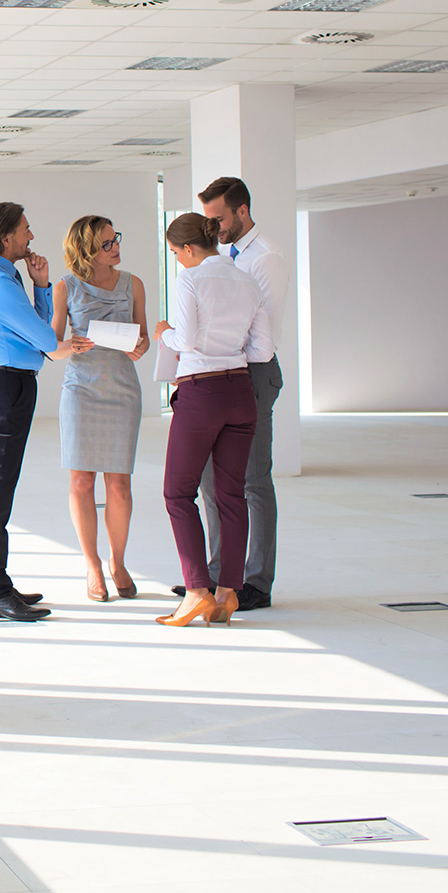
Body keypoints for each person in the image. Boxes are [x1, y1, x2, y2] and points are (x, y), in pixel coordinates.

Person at [0, 202, 87, 621]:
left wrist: (40, 286)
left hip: (6, 383)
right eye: (25, 230)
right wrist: (71, 344)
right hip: (5, 386)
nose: (31, 236)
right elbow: (46, 340)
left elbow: (34, 330)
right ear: (5, 237)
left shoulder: (1, 275)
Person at [153, 213, 273, 628]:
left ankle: (196, 592)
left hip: (201, 392)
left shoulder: (190, 279)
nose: (177, 261)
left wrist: (163, 332)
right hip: (241, 392)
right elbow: (262, 351)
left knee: (177, 493)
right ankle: (227, 594)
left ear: (188, 249)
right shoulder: (248, 280)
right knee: (232, 495)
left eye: (175, 253)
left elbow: (183, 340)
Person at [187, 176, 291, 613]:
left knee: (251, 481)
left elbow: (260, 335)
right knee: (212, 479)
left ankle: (256, 582)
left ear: (242, 211)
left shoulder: (265, 259)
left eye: (218, 219)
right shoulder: (226, 256)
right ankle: (216, 577)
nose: (212, 228)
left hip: (252, 373)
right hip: (222, 374)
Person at [52, 216, 149, 602]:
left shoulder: (133, 283)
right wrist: (69, 346)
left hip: (123, 390)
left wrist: (140, 346)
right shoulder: (66, 287)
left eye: (116, 239)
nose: (116, 247)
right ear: (87, 248)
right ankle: (92, 564)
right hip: (81, 391)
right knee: (81, 481)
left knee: (120, 484)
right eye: (107, 243)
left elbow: (141, 342)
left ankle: (119, 562)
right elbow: (53, 345)